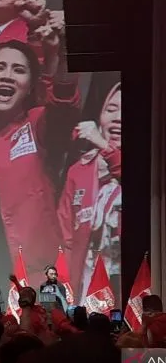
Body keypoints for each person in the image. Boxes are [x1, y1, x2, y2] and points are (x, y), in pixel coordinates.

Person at [0, 25, 79, 286]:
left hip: (31, 278)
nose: (8, 76)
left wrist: (66, 51)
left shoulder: (38, 125)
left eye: (19, 70)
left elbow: (63, 103)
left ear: (30, 86)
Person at [57, 82, 122, 303]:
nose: (117, 118)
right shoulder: (79, 170)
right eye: (111, 109)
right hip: (86, 283)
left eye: (125, 111)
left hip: (125, 280)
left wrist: (104, 146)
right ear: (99, 117)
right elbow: (65, 236)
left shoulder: (151, 164)